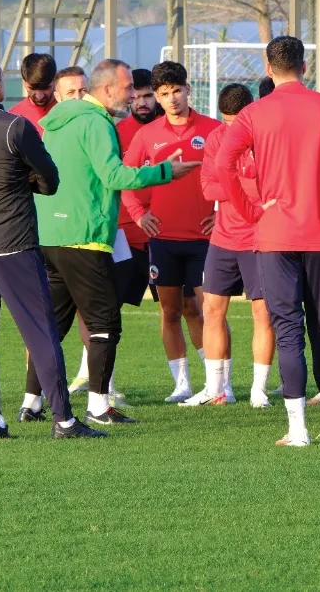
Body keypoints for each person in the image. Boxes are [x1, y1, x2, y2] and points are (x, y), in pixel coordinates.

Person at [217, 36, 320, 446]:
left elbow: (224, 163)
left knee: (288, 329)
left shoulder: (255, 113)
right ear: (305, 66)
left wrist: (250, 210)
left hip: (275, 235)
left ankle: (297, 430)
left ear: (268, 66)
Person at [24, 59, 199, 426]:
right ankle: (99, 406)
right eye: (126, 89)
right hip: (85, 237)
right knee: (105, 323)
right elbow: (114, 175)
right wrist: (167, 170)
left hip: (52, 237)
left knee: (52, 326)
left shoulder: (57, 123)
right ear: (106, 91)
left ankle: (32, 403)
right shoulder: (97, 123)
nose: (132, 94)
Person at [0, 51, 103, 439]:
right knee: (40, 332)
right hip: (12, 242)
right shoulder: (15, 127)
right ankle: (64, 421)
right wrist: (24, 181)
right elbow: (50, 180)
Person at [121, 62, 219, 404]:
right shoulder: (146, 135)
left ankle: (217, 384)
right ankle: (182, 384)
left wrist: (221, 215)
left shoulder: (213, 129)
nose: (171, 99)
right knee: (171, 311)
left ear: (188, 90)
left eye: (177, 91)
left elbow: (239, 175)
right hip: (162, 240)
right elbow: (125, 179)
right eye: (164, 94)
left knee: (208, 312)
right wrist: (139, 214)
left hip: (205, 241)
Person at [194, 83, 276, 408]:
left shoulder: (266, 139)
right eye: (225, 121)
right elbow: (207, 189)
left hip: (260, 238)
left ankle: (259, 391)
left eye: (235, 121)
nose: (230, 129)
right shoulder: (216, 138)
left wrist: (235, 187)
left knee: (263, 313)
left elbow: (270, 192)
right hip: (224, 238)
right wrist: (243, 188)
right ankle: (217, 390)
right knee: (211, 310)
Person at [9, 53, 57, 135]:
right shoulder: (12, 118)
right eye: (32, 88)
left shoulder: (69, 112)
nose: (39, 97)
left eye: (46, 88)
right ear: (24, 81)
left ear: (55, 79)